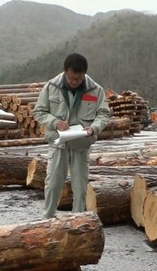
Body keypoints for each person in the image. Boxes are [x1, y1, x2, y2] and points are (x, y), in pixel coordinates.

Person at [33, 53, 110, 218]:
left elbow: (103, 114)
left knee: (80, 187)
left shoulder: (95, 90)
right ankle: (48, 220)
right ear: (65, 72)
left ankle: (78, 221)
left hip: (81, 145)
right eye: (71, 78)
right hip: (58, 144)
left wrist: (93, 128)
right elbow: (39, 112)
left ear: (84, 74)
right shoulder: (51, 87)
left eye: (78, 79)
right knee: (53, 184)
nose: (74, 82)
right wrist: (54, 122)